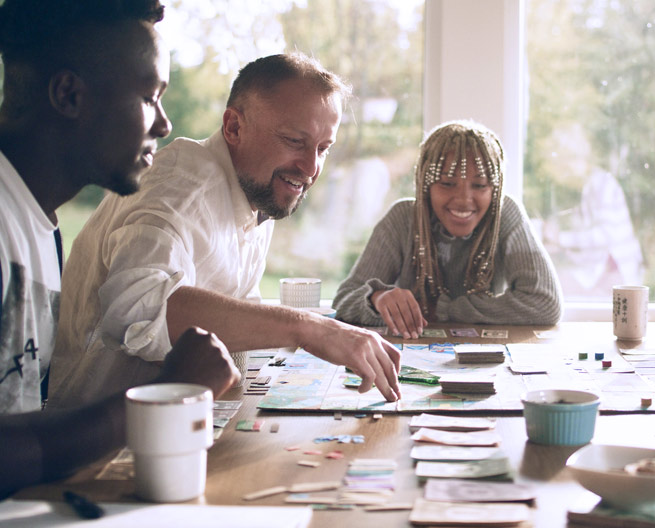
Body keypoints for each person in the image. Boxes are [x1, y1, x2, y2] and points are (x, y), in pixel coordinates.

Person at [0, 0, 238, 497]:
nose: (164, 123)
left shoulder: (35, 223)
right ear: (69, 95)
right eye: (151, 94)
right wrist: (164, 394)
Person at [48, 52, 401, 408]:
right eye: (294, 141)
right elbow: (135, 312)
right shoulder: (182, 185)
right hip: (102, 445)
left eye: (323, 148)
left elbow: (235, 323)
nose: (310, 167)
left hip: (185, 421)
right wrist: (309, 327)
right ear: (233, 127)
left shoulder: (257, 189)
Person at [333, 120, 563, 338]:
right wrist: (377, 298)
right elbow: (344, 300)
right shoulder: (402, 219)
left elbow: (545, 303)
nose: (463, 200)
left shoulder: (505, 214)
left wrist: (444, 309)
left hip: (488, 357)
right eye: (447, 183)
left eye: (480, 185)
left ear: (495, 188)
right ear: (425, 184)